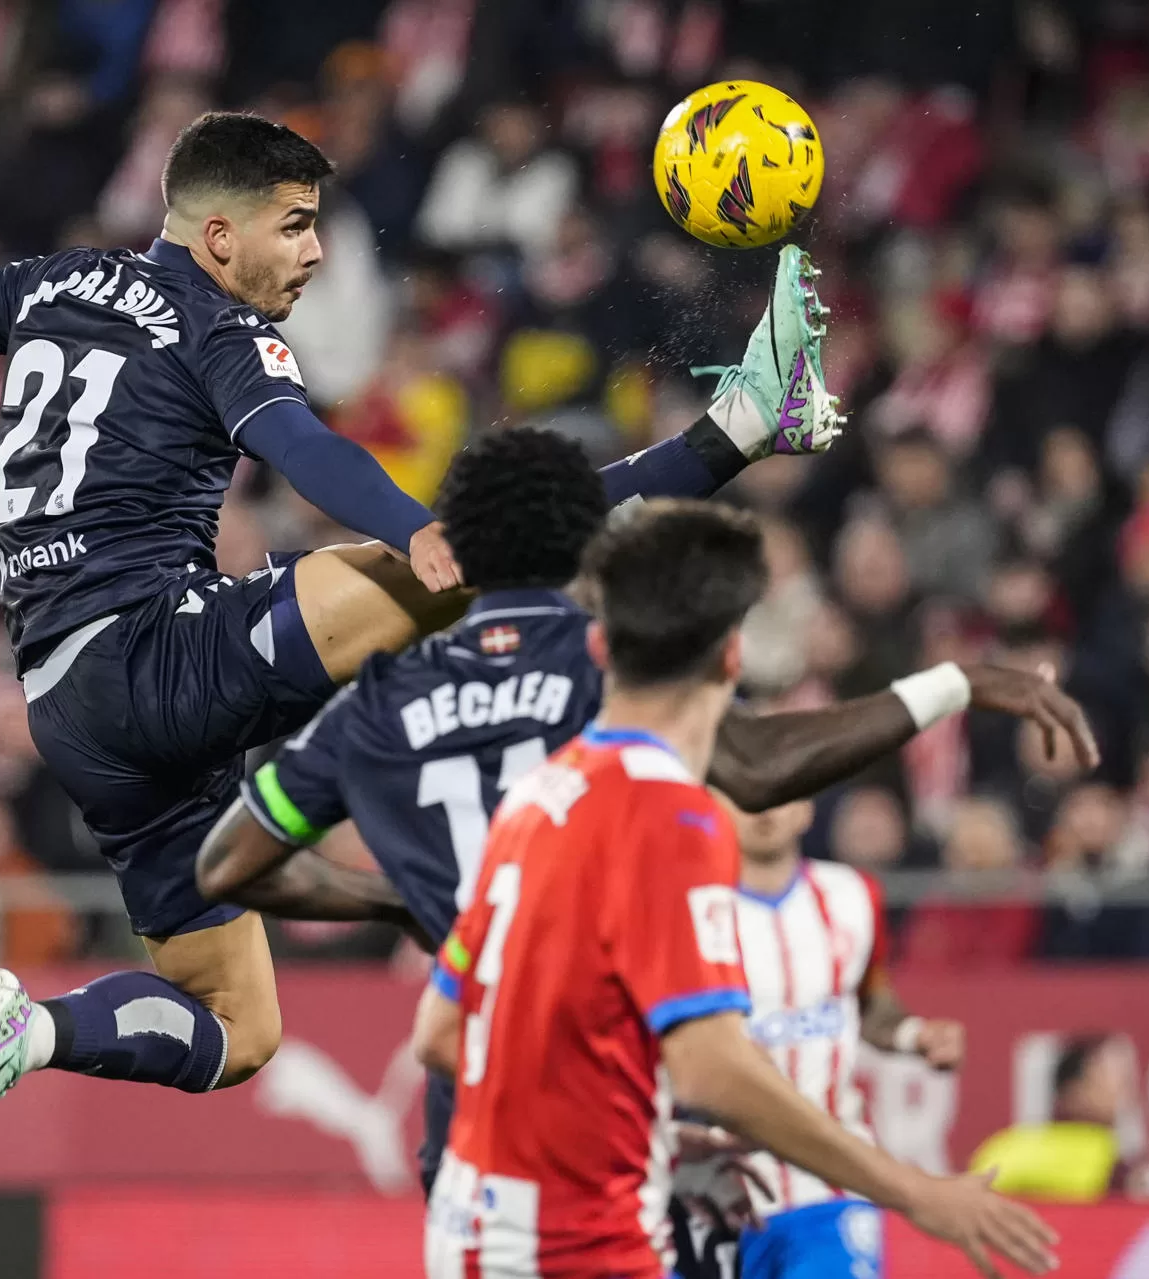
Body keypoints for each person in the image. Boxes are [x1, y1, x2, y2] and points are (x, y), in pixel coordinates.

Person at [0, 111, 841, 1153]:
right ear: (217, 234)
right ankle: (737, 428)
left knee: (239, 1028)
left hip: (69, 711)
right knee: (463, 560)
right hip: (152, 649)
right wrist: (414, 527)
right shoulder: (214, 322)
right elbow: (296, 439)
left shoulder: (48, 283)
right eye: (297, 226)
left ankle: (37, 1031)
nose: (318, 254)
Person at [194, 431, 1096, 1208]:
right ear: (589, 545)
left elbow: (229, 865)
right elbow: (758, 763)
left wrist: (400, 903)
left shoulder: (379, 701)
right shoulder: (604, 668)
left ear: (458, 547)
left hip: (466, 1099)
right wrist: (956, 682)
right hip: (602, 1082)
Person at [413, 500, 1058, 1279]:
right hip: (578, 1246)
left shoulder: (538, 793)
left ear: (597, 645)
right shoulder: (672, 816)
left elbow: (444, 1033)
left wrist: (655, 1135)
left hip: (472, 1231)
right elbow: (713, 1068)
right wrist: (917, 1191)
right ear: (730, 659)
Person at [686, 795, 970, 1279]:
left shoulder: (853, 896)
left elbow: (868, 999)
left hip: (829, 1188)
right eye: (747, 791)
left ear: (808, 809)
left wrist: (912, 1034)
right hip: (709, 1191)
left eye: (784, 788)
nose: (764, 806)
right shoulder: (687, 908)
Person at [969, 1034, 1127, 1202]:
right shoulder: (1007, 1149)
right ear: (1072, 1089)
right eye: (1108, 1076)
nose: (1120, 1090)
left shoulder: (1004, 1147)